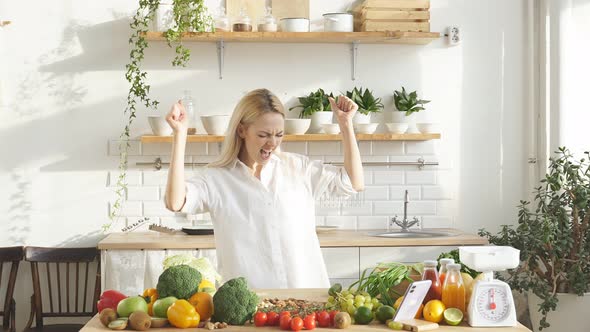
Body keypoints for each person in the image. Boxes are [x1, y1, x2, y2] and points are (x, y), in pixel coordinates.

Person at [164, 88, 364, 288]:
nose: (272, 143)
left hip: (307, 301)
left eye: (279, 135)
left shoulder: (298, 168)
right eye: (263, 135)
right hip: (250, 306)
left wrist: (345, 124)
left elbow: (353, 183)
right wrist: (180, 135)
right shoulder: (217, 179)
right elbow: (175, 202)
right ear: (242, 130)